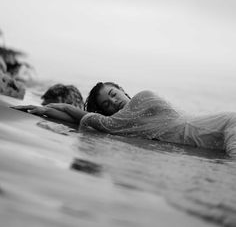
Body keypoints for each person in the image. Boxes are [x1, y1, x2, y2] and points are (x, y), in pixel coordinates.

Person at [13, 81, 236, 157]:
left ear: (123, 90)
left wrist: (63, 106)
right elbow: (97, 124)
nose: (114, 102)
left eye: (113, 94)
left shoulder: (144, 98)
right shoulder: (128, 126)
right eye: (107, 105)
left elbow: (103, 123)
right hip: (214, 139)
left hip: (226, 125)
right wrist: (46, 111)